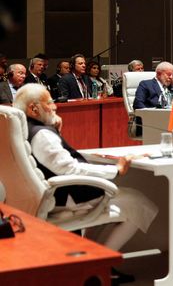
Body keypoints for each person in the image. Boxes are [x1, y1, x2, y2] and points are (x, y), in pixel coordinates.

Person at [16, 84, 158, 260]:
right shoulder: (43, 135)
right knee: (138, 203)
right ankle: (102, 263)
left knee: (124, 197)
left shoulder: (25, 131)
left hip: (48, 197)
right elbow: (69, 169)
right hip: (66, 198)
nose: (55, 106)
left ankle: (90, 256)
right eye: (50, 102)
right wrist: (116, 169)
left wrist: (55, 130)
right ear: (34, 109)